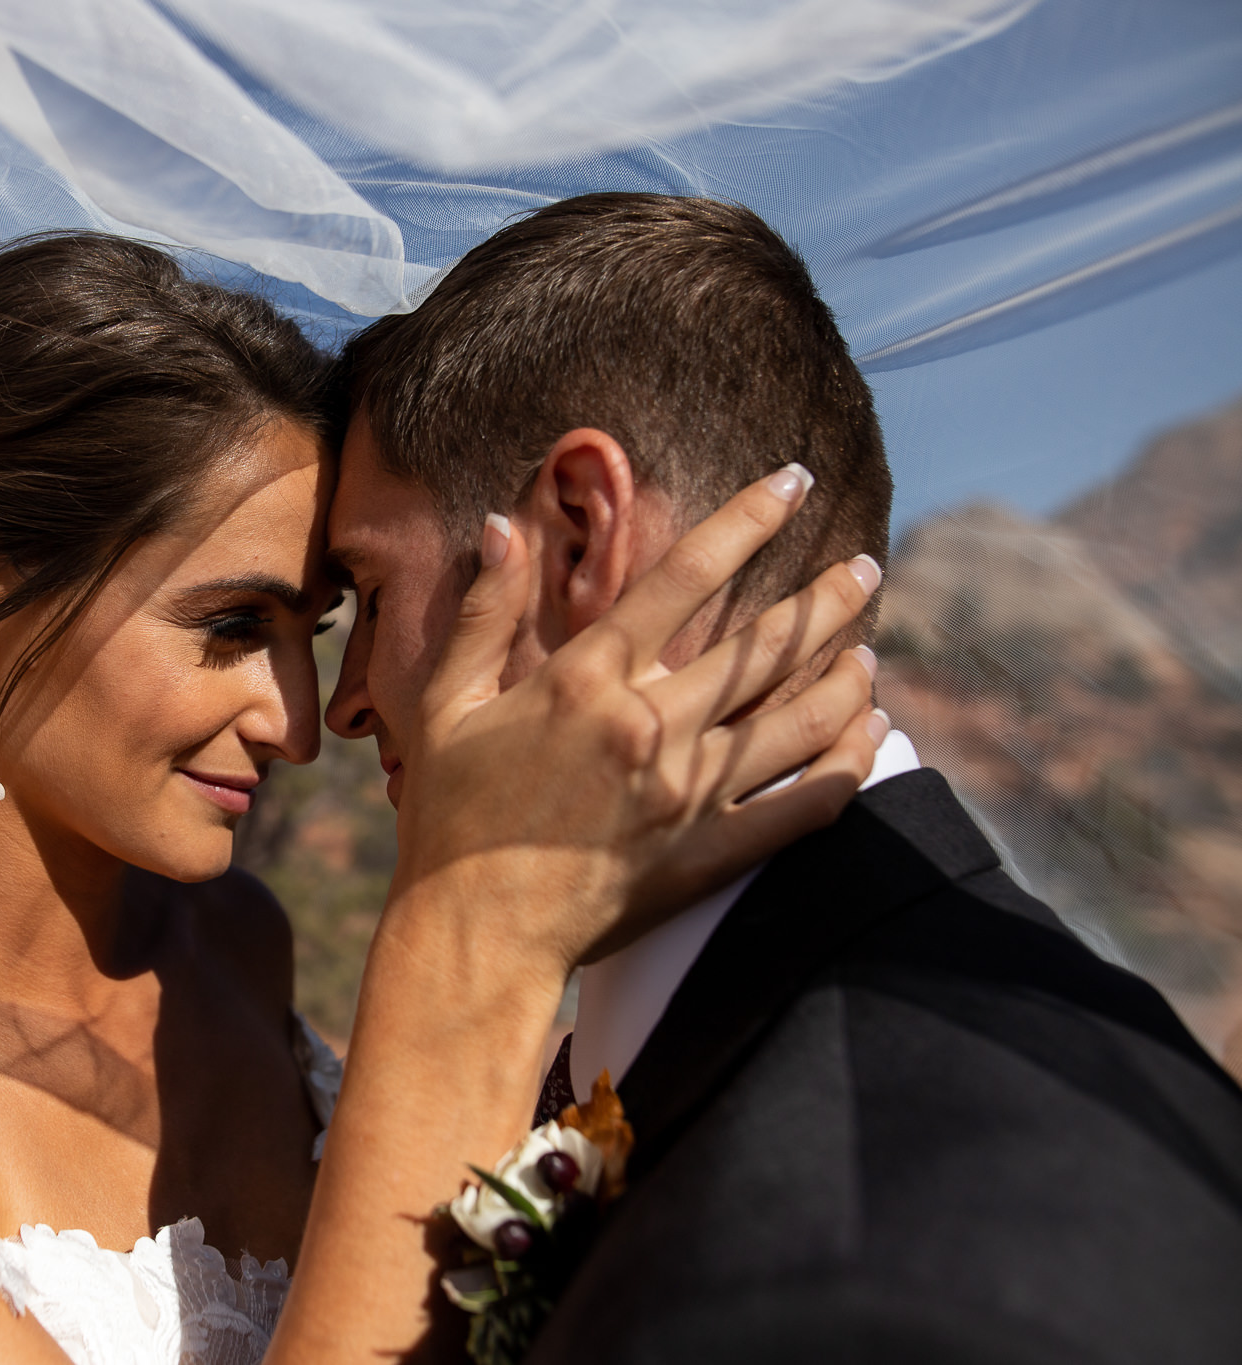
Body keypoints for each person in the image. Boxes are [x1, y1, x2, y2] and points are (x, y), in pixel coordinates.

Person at [0, 231, 884, 1365]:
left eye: (312, 633)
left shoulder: (242, 951)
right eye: (226, 625)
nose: (298, 724)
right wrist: (467, 938)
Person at [317, 193, 1242, 1361]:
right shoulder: (933, 1013)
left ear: (573, 539)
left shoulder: (864, 1276)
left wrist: (454, 933)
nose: (340, 701)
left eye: (368, 594)